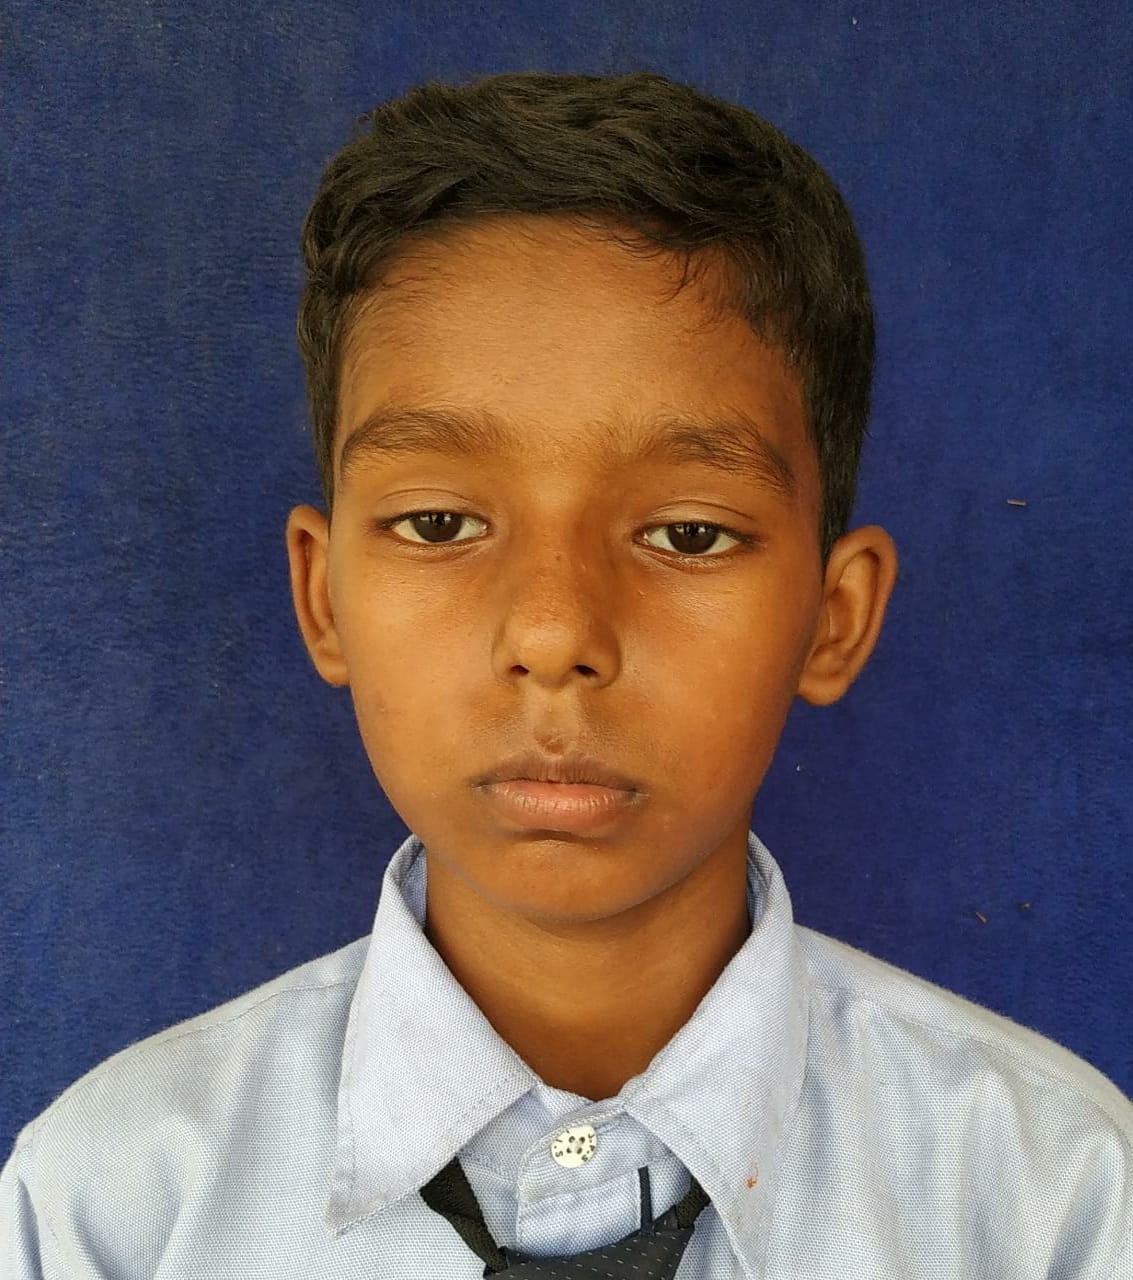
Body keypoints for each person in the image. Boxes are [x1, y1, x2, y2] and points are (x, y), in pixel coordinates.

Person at [2, 69, 1129, 1279]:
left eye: (686, 532)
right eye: (439, 523)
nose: (552, 632)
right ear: (323, 596)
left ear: (832, 617)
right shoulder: (114, 1207)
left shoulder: (1053, 1200)